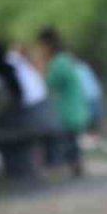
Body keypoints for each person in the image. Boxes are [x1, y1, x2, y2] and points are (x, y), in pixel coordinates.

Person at [0, 38, 59, 179]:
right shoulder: (13, 67)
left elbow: (9, 106)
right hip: (41, 115)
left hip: (29, 120)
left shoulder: (5, 72)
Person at [34, 27, 89, 175]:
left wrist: (40, 66)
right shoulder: (64, 59)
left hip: (67, 111)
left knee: (66, 143)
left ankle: (68, 167)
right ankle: (74, 166)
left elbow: (48, 83)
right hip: (73, 109)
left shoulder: (58, 63)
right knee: (71, 144)